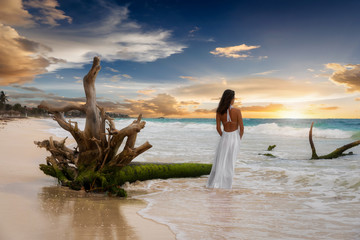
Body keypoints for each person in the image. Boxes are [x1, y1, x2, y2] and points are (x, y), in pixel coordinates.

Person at [206, 89, 244, 189]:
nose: (234, 100)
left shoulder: (219, 111)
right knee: (230, 163)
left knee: (220, 161)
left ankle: (215, 184)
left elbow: (218, 128)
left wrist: (223, 136)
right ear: (231, 99)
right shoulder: (237, 111)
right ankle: (227, 186)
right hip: (234, 137)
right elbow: (242, 128)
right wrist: (238, 139)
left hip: (225, 137)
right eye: (234, 98)